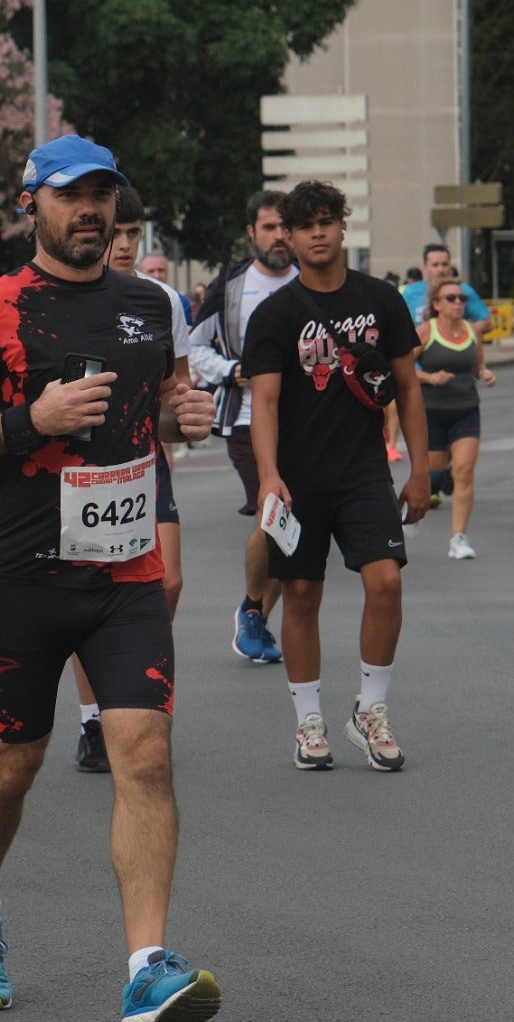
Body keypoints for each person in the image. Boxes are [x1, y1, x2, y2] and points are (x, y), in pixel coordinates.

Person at [0, 134, 221, 1022]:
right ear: (32, 206)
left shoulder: (148, 303)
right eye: (71, 195)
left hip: (125, 568)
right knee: (11, 768)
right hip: (23, 573)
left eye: (103, 195)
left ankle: (145, 970)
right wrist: (29, 420)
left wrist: (185, 416)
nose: (91, 209)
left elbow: (158, 402)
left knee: (146, 753)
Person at [244, 179, 429, 774]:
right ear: (290, 238)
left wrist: (420, 470)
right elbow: (265, 404)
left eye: (328, 221)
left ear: (343, 227)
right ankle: (308, 721)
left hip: (363, 473)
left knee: (386, 584)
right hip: (297, 478)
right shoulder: (274, 314)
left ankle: (370, 711)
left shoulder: (383, 299)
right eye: (305, 225)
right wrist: (269, 475)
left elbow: (407, 389)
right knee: (300, 595)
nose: (318, 233)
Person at [68, 185, 193, 773]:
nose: (123, 245)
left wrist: (188, 418)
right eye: (116, 234)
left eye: (134, 234)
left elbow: (175, 396)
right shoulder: (64, 295)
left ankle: (131, 691)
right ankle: (96, 721)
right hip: (83, 471)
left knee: (164, 584)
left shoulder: (162, 301)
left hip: (145, 468)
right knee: (90, 596)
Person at [188, 189, 298, 666]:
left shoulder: (314, 280)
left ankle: (255, 613)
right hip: (249, 420)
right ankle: (253, 610)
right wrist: (233, 371)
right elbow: (194, 349)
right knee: (273, 514)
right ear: (252, 232)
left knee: (294, 529)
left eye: (284, 227)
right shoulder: (231, 285)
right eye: (269, 227)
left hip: (311, 424)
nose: (279, 236)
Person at [416, 278, 497, 559]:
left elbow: (477, 365)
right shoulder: (426, 331)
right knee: (434, 468)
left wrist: (485, 374)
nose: (458, 303)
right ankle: (438, 481)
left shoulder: (472, 332)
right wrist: (430, 376)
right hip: (432, 411)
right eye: (450, 298)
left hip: (466, 408)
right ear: (437, 304)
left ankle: (458, 538)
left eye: (461, 298)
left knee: (464, 470)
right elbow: (401, 367)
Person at [400, 244, 492, 336]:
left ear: (450, 267)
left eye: (445, 264)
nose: (441, 269)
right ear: (425, 268)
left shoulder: (463, 291)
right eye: (435, 265)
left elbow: (486, 323)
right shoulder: (409, 293)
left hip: (455, 348)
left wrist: (462, 333)